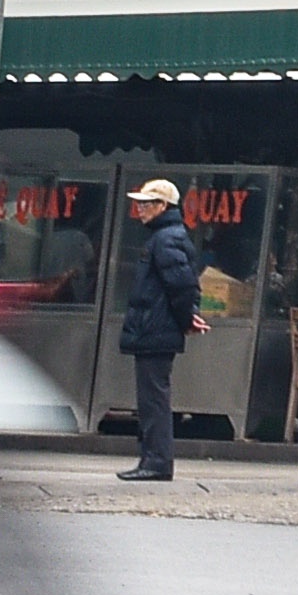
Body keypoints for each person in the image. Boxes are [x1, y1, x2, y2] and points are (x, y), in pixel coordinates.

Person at [116, 178, 198, 482]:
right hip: (155, 328)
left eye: (146, 204)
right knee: (151, 399)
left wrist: (186, 318)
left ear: (163, 206)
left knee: (153, 400)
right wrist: (188, 316)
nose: (139, 209)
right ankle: (151, 459)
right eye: (139, 204)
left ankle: (157, 461)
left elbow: (183, 286)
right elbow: (187, 285)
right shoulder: (167, 237)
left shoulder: (166, 239)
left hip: (156, 329)